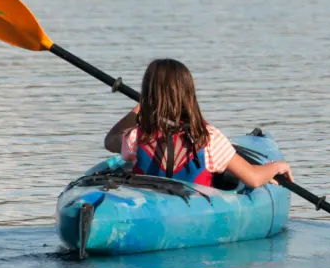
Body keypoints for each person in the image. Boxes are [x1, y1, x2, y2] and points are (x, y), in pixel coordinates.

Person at [103, 58, 292, 189]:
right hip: (193, 209)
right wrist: (277, 166)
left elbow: (110, 140)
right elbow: (253, 178)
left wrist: (140, 107)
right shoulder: (209, 139)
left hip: (150, 206)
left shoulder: (137, 137)